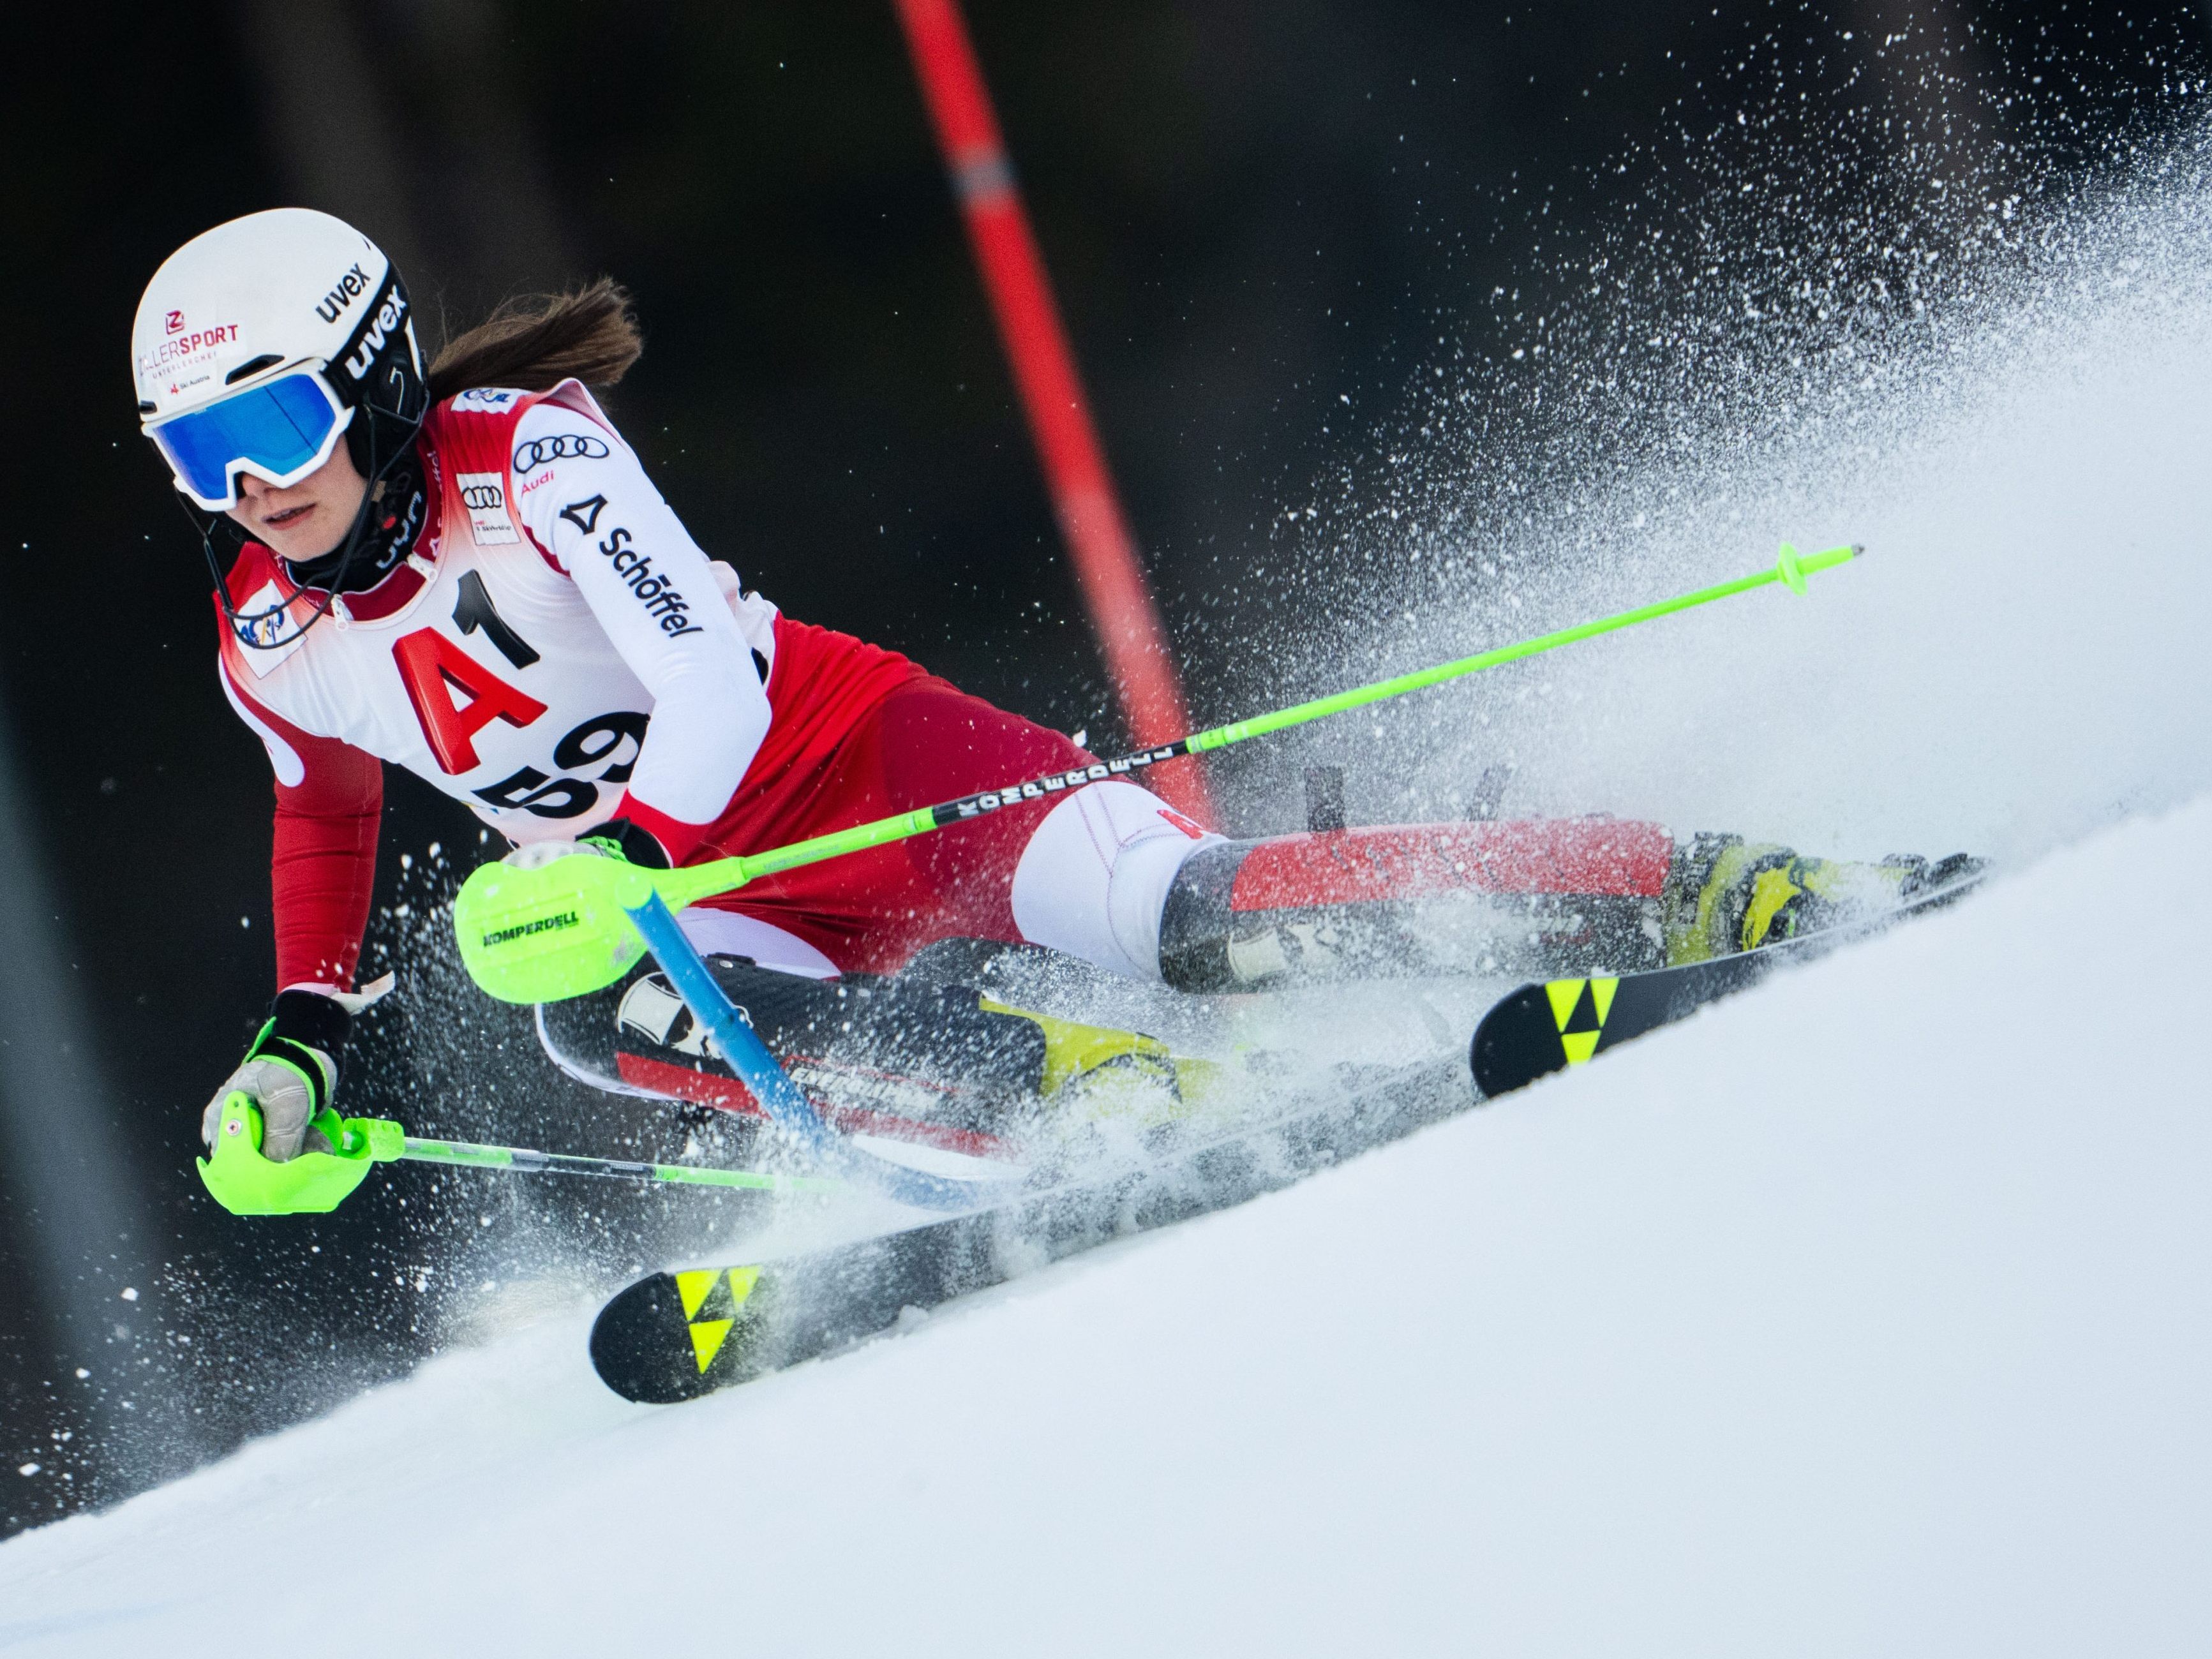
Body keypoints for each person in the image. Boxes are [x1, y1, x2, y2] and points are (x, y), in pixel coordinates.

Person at [137, 209, 1961, 1164]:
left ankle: (1685, 880)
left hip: (858, 763)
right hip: (706, 913)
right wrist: (299, 1041)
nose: (251, 488)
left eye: (276, 424)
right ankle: (1071, 1093)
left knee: (1193, 920)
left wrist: (632, 857)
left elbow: (696, 660)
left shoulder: (525, 453)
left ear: (370, 380)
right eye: (197, 456)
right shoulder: (267, 636)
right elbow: (327, 807)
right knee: (593, 1019)